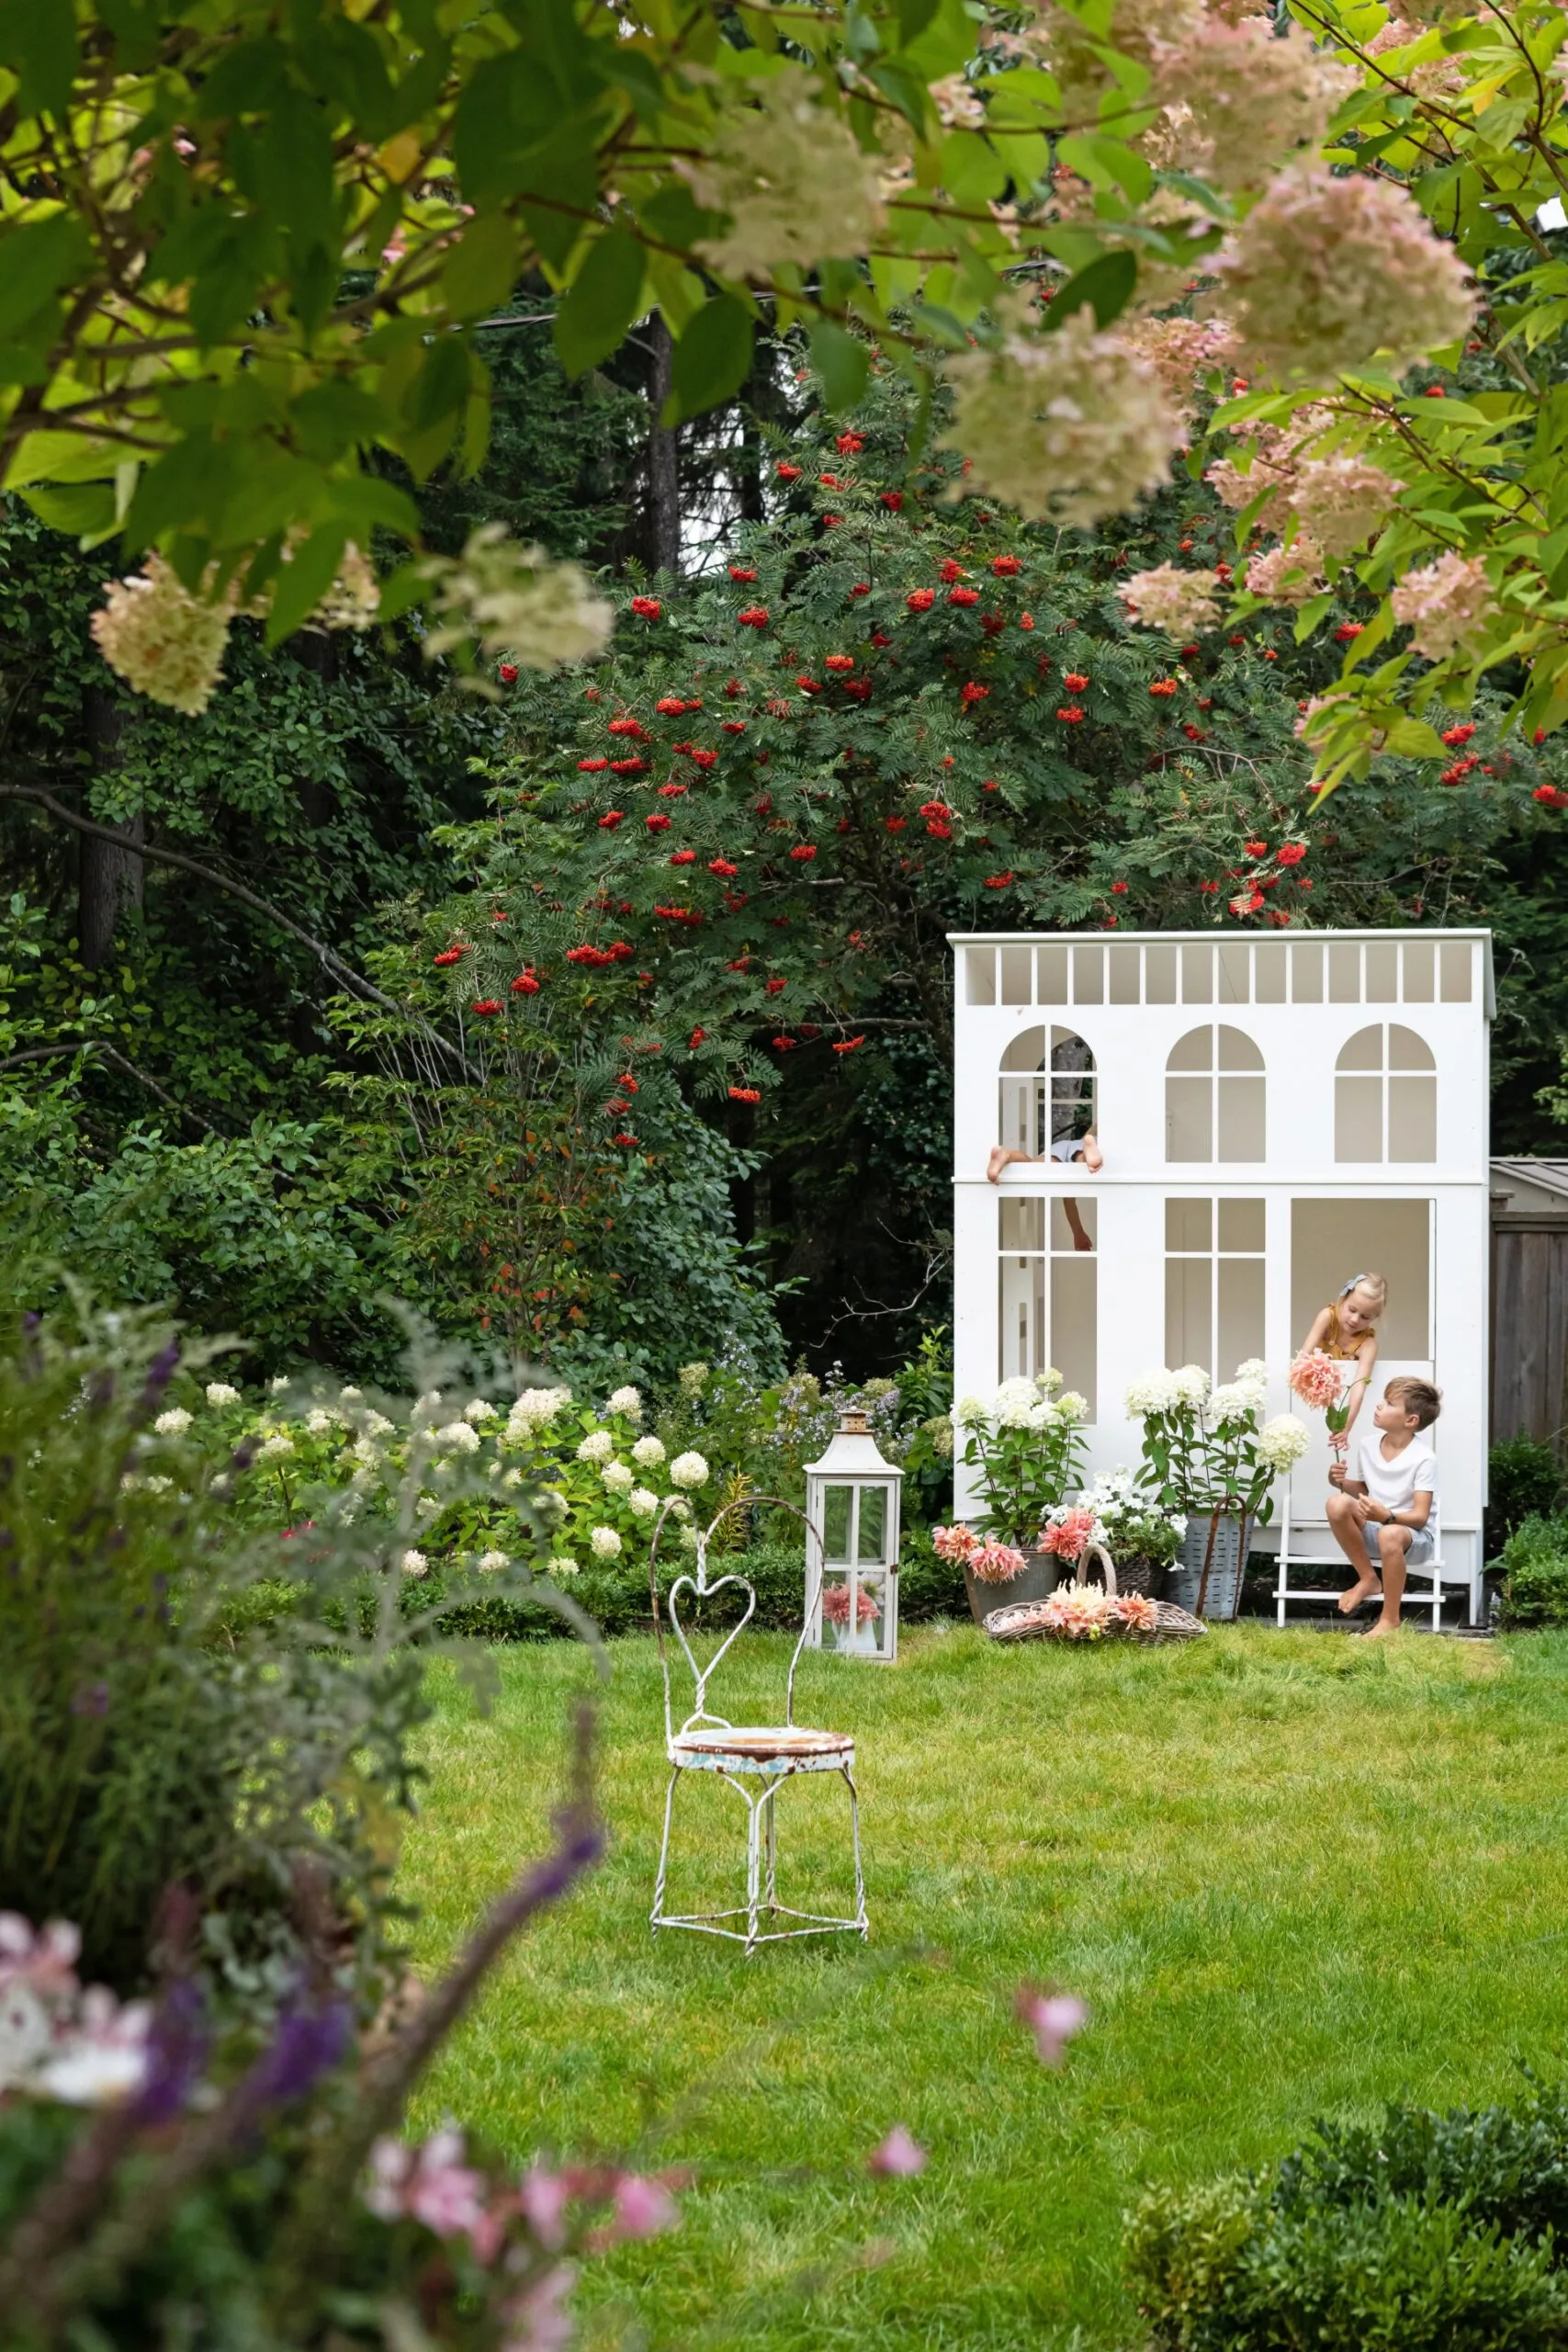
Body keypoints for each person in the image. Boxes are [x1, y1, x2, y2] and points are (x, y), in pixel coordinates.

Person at [1325, 1375, 1441, 1636]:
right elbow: (1368, 1491)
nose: (1379, 1406)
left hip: (1414, 1540)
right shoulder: (1367, 1446)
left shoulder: (1424, 1459)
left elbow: (1421, 1517)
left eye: (1389, 1403)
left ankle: (1390, 1620)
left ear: (1411, 1420)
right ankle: (1368, 1578)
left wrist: (1387, 1516)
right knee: (1337, 1504)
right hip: (1377, 1529)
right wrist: (1341, 1482)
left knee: (1389, 1532)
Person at [1296, 1272, 1387, 1453]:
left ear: (1374, 1318)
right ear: (1342, 1300)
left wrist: (1346, 1427)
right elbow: (1303, 1357)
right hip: (1311, 1403)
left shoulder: (1367, 1345)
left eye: (1365, 1317)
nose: (1355, 1320)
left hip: (1337, 1406)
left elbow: (1358, 1388)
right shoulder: (1327, 1318)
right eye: (1352, 1310)